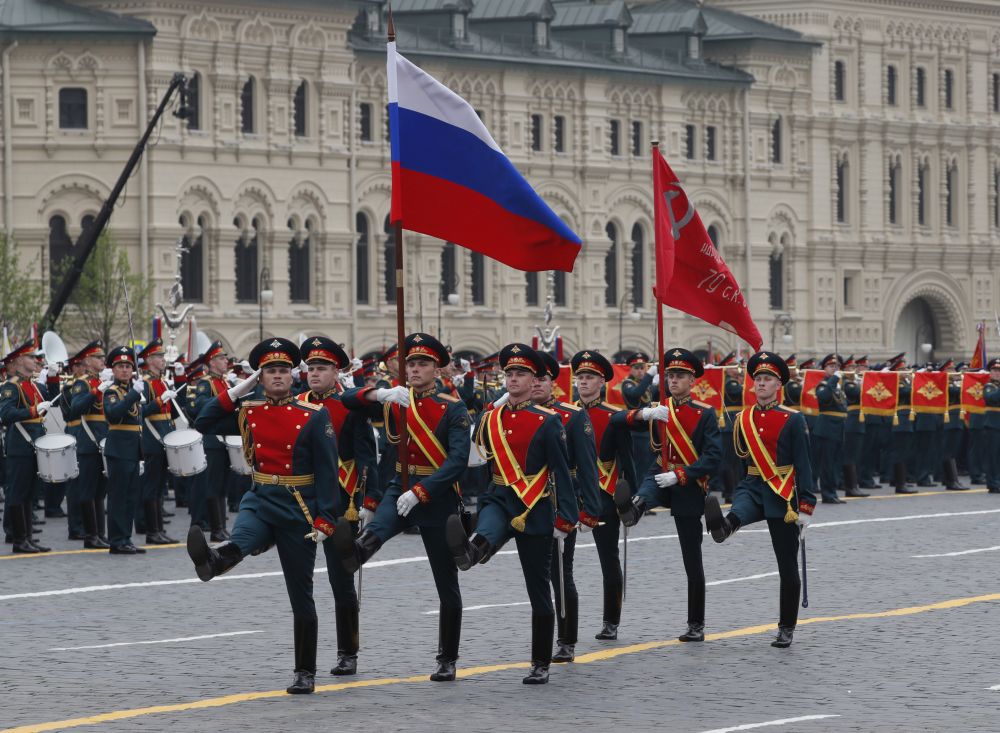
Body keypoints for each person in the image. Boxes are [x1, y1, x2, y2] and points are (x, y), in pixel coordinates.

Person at [187, 337, 338, 694]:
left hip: (297, 505)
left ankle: (305, 671)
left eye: (283, 370)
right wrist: (239, 389)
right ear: (261, 377)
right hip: (260, 496)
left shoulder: (314, 416)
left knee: (300, 593)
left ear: (293, 375)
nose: (278, 376)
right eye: (270, 371)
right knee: (243, 536)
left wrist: (326, 518)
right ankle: (215, 560)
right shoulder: (249, 410)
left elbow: (329, 471)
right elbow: (203, 421)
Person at [332, 332, 470, 682]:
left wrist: (423, 491)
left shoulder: (452, 408)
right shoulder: (395, 400)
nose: (415, 369)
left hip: (436, 496)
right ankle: (354, 552)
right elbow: (347, 399)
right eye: (410, 363)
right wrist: (380, 393)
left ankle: (447, 658)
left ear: (436, 369)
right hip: (400, 485)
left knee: (446, 583)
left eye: (422, 363)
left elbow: (457, 462)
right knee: (376, 532)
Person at [445, 343, 576, 684]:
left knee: (538, 590)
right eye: (510, 373)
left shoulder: (548, 422)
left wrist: (568, 517)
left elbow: (562, 472)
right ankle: (471, 550)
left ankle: (540, 662)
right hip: (500, 497)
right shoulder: (490, 418)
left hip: (534, 507)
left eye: (520, 374)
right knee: (488, 526)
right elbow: (478, 461)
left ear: (534, 381)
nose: (513, 379)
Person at [703, 351, 815, 648]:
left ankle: (786, 626)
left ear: (778, 385)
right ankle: (723, 527)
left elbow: (804, 464)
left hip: (782, 492)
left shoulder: (793, 419)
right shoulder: (744, 418)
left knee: (787, 566)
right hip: (753, 484)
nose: (761, 384)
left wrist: (806, 505)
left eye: (767, 379)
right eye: (758, 379)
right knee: (738, 511)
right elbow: (740, 461)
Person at [618, 348, 722, 642]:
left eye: (679, 376)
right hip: (661, 473)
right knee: (647, 488)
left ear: (692, 380)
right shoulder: (659, 409)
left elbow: (713, 457)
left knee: (692, 559)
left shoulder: (705, 413)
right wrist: (646, 413)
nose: (673, 380)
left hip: (688, 484)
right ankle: (633, 509)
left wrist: (681, 474)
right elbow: (627, 420)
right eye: (670, 375)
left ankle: (696, 624)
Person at [298, 336, 379, 676]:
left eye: (322, 368)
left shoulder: (350, 405)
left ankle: (348, 651)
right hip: (300, 499)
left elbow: (366, 455)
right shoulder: (296, 402)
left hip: (341, 500)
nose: (314, 374)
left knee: (341, 579)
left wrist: (369, 501)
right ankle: (304, 658)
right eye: (311, 368)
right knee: (300, 580)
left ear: (336, 372)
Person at [532, 350, 602, 663]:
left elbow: (587, 467)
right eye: (530, 379)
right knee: (537, 574)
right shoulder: (510, 413)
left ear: (552, 383)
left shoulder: (572, 416)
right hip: (527, 504)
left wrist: (588, 511)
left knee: (561, 573)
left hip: (561, 501)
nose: (534, 385)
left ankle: (566, 638)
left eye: (541, 379)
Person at [569, 349, 640, 641]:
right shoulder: (564, 413)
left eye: (590, 378)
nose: (583, 382)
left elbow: (628, 460)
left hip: (604, 493)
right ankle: (565, 623)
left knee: (608, 559)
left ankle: (611, 620)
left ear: (602, 382)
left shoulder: (613, 417)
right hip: (571, 493)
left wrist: (631, 500)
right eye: (580, 377)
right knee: (563, 560)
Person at [0, 340, 58, 552]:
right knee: (18, 492)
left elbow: (55, 400)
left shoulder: (33, 385)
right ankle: (18, 539)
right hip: (19, 446)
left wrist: (53, 378)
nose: (36, 360)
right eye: (31, 357)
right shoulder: (11, 386)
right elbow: (5, 415)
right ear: (17, 361)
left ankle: (28, 536)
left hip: (35, 444)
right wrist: (32, 411)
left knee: (30, 493)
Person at [102, 346, 147, 554]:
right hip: (119, 449)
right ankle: (116, 541)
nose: (125, 370)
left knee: (130, 498)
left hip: (132, 450)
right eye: (121, 366)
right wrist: (133, 395)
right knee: (118, 498)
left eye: (128, 366)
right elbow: (113, 414)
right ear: (113, 370)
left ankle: (126, 537)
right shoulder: (112, 392)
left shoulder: (132, 391)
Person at [66, 340, 111, 548]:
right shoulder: (82, 383)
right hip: (88, 440)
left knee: (100, 491)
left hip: (103, 440)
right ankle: (90, 536)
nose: (103, 360)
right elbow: (76, 408)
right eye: (99, 357)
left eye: (103, 357)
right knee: (87, 489)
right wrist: (95, 392)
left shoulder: (105, 381)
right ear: (88, 361)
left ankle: (100, 533)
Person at [189, 340, 233, 540]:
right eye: (222, 358)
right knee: (213, 484)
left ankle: (221, 526)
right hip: (212, 439)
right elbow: (199, 406)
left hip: (225, 439)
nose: (226, 361)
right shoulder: (206, 383)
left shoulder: (224, 382)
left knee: (223, 484)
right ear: (212, 362)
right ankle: (216, 529)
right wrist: (224, 400)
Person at [137, 339, 179, 544]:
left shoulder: (162, 381)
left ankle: (159, 529)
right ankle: (151, 531)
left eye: (163, 356)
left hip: (164, 438)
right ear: (149, 360)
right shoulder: (144, 383)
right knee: (151, 487)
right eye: (159, 357)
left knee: (160, 486)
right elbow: (141, 411)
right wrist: (161, 400)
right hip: (152, 439)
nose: (163, 360)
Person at [813, 354, 847, 504]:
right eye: (831, 366)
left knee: (835, 462)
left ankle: (833, 492)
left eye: (837, 367)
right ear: (824, 369)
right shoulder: (823, 384)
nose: (835, 369)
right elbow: (824, 397)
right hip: (827, 428)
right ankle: (827, 493)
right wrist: (833, 380)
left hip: (838, 427)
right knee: (827, 463)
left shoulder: (838, 387)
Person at [620, 351, 656, 478]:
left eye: (643, 368)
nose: (640, 371)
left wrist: (656, 384)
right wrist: (649, 376)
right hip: (636, 432)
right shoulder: (627, 383)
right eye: (636, 368)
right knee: (638, 468)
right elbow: (636, 393)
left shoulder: (647, 384)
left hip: (649, 431)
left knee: (649, 466)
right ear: (631, 369)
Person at [840, 356, 869, 498]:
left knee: (856, 455)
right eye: (850, 368)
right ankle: (850, 486)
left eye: (854, 367)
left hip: (859, 421)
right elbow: (858, 393)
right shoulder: (846, 383)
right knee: (850, 455)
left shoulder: (856, 382)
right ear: (844, 370)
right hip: (852, 420)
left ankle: (854, 485)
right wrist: (865, 382)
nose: (853, 370)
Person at [985, 358, 1000, 494]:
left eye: (999, 371)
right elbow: (992, 398)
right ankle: (993, 483)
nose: (997, 373)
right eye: (994, 370)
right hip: (993, 425)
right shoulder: (989, 386)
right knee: (993, 455)